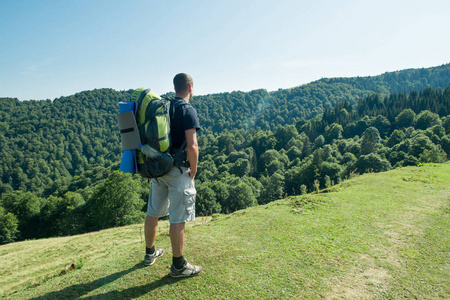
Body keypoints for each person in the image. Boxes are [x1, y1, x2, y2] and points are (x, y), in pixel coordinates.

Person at [143, 73, 202, 278]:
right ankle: (178, 266)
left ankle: (150, 253)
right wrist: (193, 169)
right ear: (190, 88)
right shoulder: (187, 110)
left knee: (153, 212)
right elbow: (193, 146)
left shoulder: (163, 106)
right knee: (178, 218)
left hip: (159, 169)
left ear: (175, 87)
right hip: (178, 171)